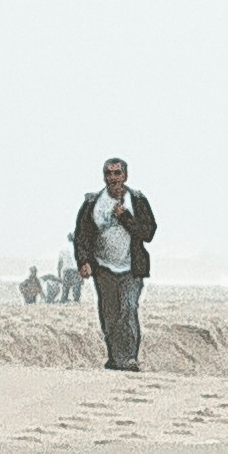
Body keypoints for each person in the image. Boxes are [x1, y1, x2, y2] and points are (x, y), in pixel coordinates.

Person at [73, 156, 158, 370]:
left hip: (132, 268)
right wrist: (84, 261)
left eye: (117, 173)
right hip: (103, 268)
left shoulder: (137, 200)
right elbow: (82, 235)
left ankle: (130, 358)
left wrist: (126, 217)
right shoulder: (93, 202)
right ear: (104, 176)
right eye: (109, 173)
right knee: (109, 314)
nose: (113, 178)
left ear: (125, 176)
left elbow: (148, 232)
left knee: (129, 309)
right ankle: (115, 357)